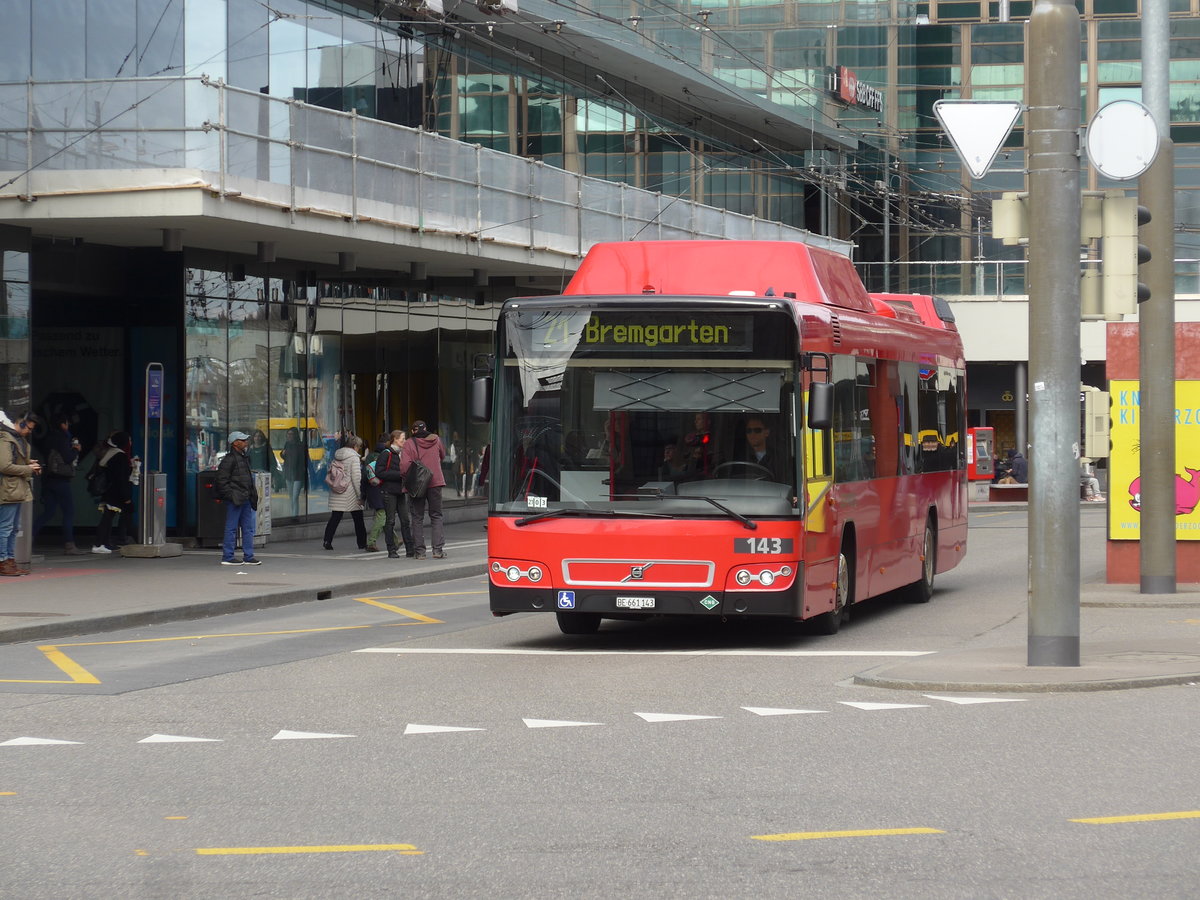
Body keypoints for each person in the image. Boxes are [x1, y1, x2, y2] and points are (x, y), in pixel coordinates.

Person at [33, 412, 88, 554]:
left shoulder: (48, 437)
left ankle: (29, 536)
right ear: (63, 424)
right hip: (61, 480)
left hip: (48, 479)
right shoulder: (63, 438)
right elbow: (68, 457)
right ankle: (69, 545)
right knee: (68, 512)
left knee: (48, 512)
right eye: (67, 423)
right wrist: (76, 450)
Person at [0, 411, 42, 576]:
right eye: (29, 428)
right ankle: (3, 560)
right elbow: (4, 466)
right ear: (22, 424)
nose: (29, 432)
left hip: (16, 488)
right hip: (8, 488)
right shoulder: (6, 439)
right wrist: (28, 468)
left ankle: (10, 560)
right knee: (6, 527)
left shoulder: (17, 439)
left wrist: (28, 464)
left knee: (13, 528)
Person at [400, 419, 447, 560]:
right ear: (426, 428)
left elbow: (404, 466)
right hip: (435, 482)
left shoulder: (409, 443)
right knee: (436, 516)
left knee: (417, 517)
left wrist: (407, 478)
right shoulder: (436, 440)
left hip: (417, 484)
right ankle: (437, 550)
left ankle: (420, 552)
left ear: (413, 431)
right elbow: (443, 456)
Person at [215, 430, 261, 566]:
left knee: (247, 528)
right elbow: (221, 481)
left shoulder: (243, 458)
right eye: (242, 440)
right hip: (236, 498)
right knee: (232, 528)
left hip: (244, 497)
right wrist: (231, 495)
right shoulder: (230, 460)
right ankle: (228, 556)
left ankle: (248, 556)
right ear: (235, 443)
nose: (246, 442)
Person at [92, 430, 134, 555]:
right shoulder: (120, 456)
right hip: (115, 493)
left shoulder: (111, 454)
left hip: (109, 491)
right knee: (107, 518)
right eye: (129, 441)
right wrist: (126, 497)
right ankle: (99, 544)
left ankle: (104, 543)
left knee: (108, 517)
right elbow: (121, 478)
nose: (130, 443)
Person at [322, 434, 367, 551]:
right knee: (358, 519)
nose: (359, 448)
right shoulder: (354, 458)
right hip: (350, 492)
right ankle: (362, 543)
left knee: (335, 517)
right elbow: (356, 478)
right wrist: (360, 495)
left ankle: (327, 540)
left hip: (337, 490)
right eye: (359, 446)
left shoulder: (337, 455)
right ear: (355, 446)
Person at [375, 429, 415, 559]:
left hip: (401, 491)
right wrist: (399, 475)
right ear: (395, 440)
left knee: (405, 520)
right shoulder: (386, 454)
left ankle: (410, 549)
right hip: (389, 491)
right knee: (390, 520)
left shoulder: (403, 453)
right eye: (402, 439)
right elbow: (379, 472)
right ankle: (391, 550)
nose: (404, 441)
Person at [362, 435, 389, 552]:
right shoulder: (386, 455)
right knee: (382, 516)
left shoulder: (370, 456)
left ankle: (395, 539)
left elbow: (364, 476)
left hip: (371, 489)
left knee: (383, 517)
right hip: (380, 489)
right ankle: (371, 542)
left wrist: (363, 494)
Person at [741, 415, 782, 481]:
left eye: (757, 430)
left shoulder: (778, 458)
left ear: (767, 432)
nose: (752, 434)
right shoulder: (741, 458)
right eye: (749, 431)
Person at [281, 426, 307, 516]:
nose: (289, 436)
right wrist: (282, 454)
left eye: (291, 434)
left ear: (295, 435)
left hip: (298, 474)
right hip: (289, 473)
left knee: (295, 496)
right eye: (288, 434)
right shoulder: (287, 444)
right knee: (291, 496)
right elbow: (285, 457)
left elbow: (303, 459)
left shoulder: (300, 445)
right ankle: (293, 513)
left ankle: (295, 515)